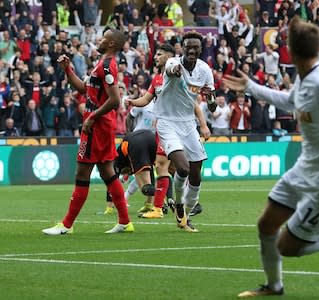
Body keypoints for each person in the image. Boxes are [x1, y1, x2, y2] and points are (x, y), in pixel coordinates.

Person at [223, 16, 319, 298]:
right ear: (318, 50)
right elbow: (289, 100)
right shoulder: (305, 77)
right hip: (302, 171)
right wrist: (251, 87)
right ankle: (273, 286)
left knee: (287, 247)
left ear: (291, 53)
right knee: (266, 225)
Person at [42, 29, 133, 235]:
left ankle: (66, 225)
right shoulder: (102, 65)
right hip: (100, 125)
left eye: (103, 38)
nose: (99, 41)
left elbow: (115, 100)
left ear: (110, 44)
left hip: (97, 126)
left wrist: (92, 117)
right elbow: (84, 89)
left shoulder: (108, 66)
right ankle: (125, 221)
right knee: (107, 172)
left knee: (82, 172)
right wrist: (68, 70)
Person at [129, 31, 215, 233]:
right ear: (182, 49)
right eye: (188, 47)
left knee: (196, 174)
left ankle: (187, 209)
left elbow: (211, 106)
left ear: (200, 49)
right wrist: (176, 70)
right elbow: (172, 69)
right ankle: (178, 205)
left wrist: (210, 100)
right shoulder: (172, 64)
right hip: (167, 123)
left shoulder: (205, 70)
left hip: (188, 124)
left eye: (196, 47)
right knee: (182, 168)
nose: (192, 50)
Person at [104, 44, 176, 219]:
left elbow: (193, 101)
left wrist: (202, 124)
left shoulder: (177, 75)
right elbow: (143, 101)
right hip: (158, 132)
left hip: (175, 126)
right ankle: (160, 205)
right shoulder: (157, 79)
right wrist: (131, 101)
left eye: (159, 54)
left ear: (169, 57)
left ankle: (174, 201)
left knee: (177, 168)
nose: (155, 57)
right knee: (162, 167)